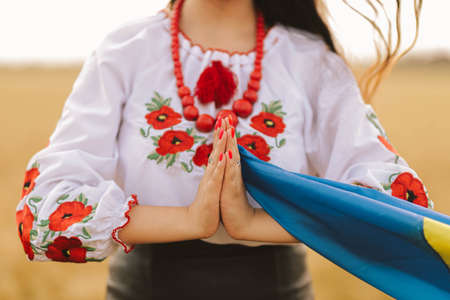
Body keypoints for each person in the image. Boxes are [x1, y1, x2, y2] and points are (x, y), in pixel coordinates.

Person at [15, 0, 432, 299]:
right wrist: (189, 219)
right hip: (144, 288)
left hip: (277, 287)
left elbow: (391, 208)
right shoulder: (124, 52)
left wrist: (250, 224)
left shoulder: (311, 63)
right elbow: (44, 214)